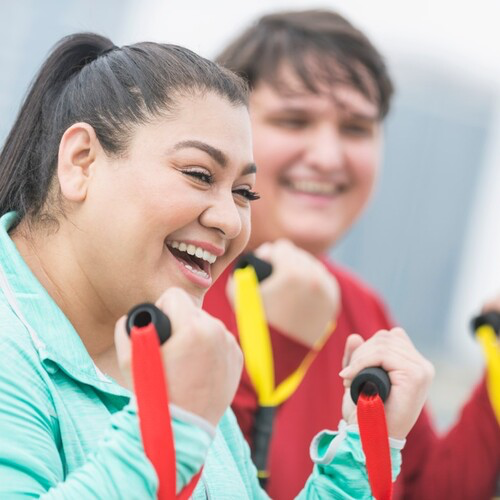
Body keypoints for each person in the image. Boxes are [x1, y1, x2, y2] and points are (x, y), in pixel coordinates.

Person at [0, 32, 434, 498]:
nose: (230, 220)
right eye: (199, 175)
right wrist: (171, 423)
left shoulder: (183, 357)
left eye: (244, 193)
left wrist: (364, 445)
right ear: (81, 162)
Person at [203, 9, 500, 500]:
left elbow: (424, 489)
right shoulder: (178, 282)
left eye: (356, 128)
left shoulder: (362, 307)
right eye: (294, 120)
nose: (327, 155)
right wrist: (271, 345)